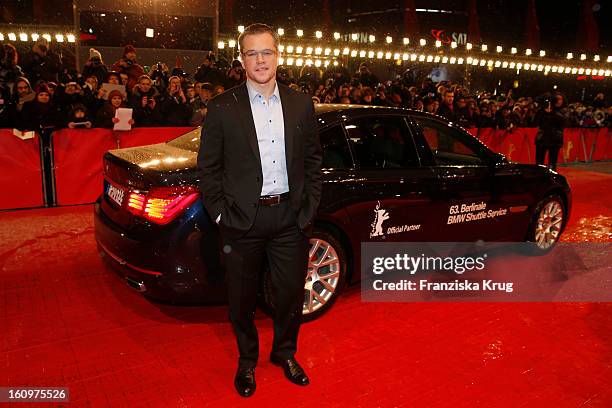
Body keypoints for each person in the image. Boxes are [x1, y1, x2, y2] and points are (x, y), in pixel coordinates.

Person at [197, 23, 322, 398]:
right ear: (241, 59)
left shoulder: (301, 103)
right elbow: (208, 169)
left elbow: (314, 161)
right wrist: (221, 215)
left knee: (287, 296)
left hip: (289, 218)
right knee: (241, 299)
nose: (260, 60)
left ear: (278, 55)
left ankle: (284, 353)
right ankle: (246, 361)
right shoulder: (222, 107)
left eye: (266, 52)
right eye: (251, 53)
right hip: (241, 220)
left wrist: (308, 209)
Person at [534, 98, 565, 170]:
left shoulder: (559, 115)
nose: (548, 108)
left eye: (550, 107)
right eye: (547, 107)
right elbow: (535, 123)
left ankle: (551, 175)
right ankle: (539, 174)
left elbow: (562, 127)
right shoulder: (540, 114)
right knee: (539, 161)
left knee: (552, 162)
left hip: (554, 140)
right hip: (542, 139)